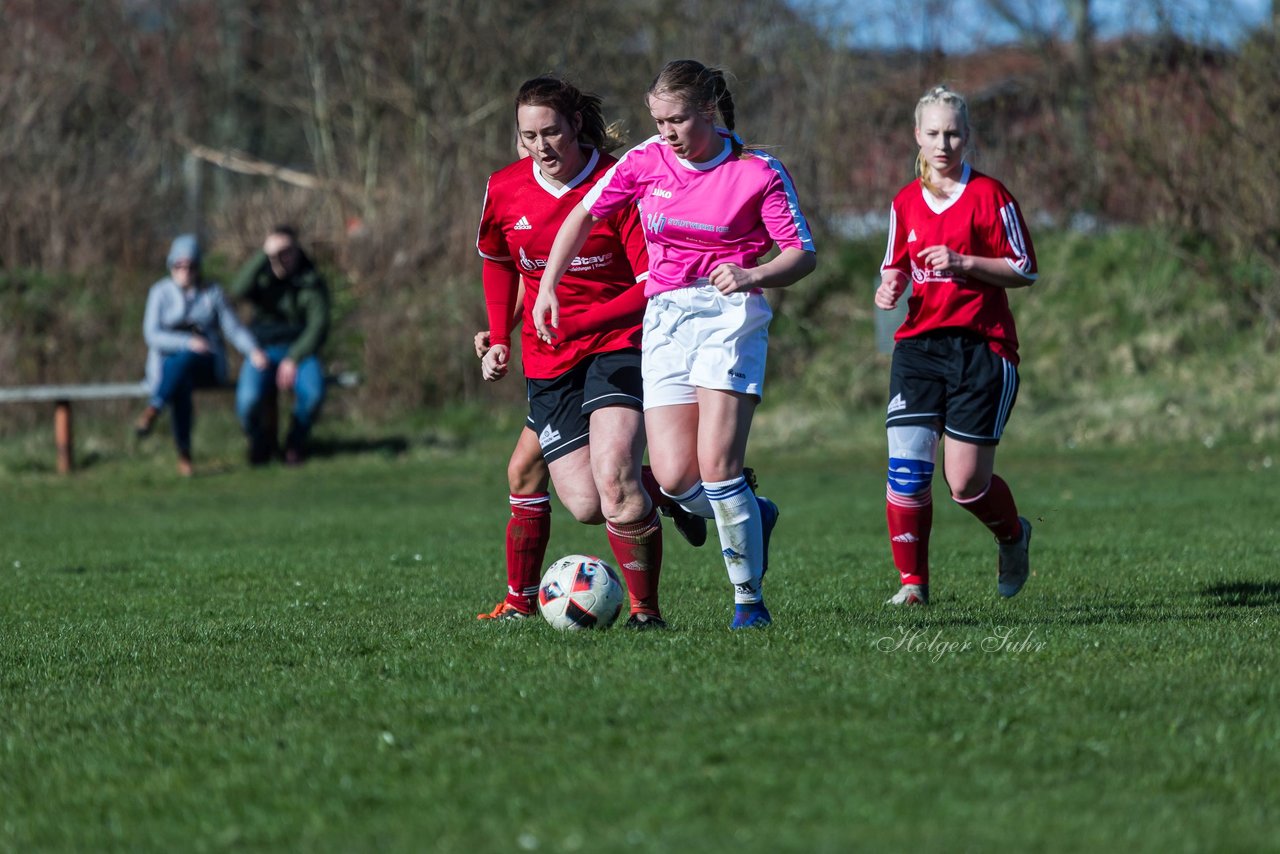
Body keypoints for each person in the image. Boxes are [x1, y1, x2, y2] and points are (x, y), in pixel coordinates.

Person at [533, 60, 817, 629]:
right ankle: (753, 515)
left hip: (729, 316)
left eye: (677, 121)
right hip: (665, 320)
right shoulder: (646, 160)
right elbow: (582, 217)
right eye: (658, 120)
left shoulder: (756, 171)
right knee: (672, 479)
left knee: (716, 466)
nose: (666, 132)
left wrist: (751, 275)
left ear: (708, 112)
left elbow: (801, 254)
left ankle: (748, 603)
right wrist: (547, 287)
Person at [474, 75, 674, 628]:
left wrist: (582, 318)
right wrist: (498, 336)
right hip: (550, 355)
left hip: (619, 341)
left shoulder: (620, 183)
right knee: (588, 504)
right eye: (527, 136)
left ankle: (645, 614)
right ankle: (683, 488)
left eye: (552, 133)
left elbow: (650, 281)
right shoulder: (504, 188)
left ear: (576, 127)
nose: (541, 147)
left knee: (614, 479)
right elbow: (499, 263)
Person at [875, 84, 1037, 606]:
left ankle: (1013, 535)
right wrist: (890, 285)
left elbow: (1024, 268)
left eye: (953, 133)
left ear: (967, 136)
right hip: (919, 349)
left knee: (965, 484)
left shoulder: (991, 196)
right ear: (916, 136)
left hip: (981, 350)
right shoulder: (904, 201)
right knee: (907, 466)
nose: (943, 143)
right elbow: (895, 263)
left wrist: (966, 263)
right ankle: (913, 585)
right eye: (933, 133)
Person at [136, 234, 267, 476]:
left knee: (186, 360)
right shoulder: (160, 293)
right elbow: (151, 335)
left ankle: (154, 407)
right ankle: (184, 455)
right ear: (171, 265)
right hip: (167, 367)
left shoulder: (212, 293)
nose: (185, 271)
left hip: (206, 364)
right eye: (179, 265)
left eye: (191, 266)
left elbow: (233, 328)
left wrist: (254, 351)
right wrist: (187, 341)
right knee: (180, 379)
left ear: (198, 267)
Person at [228, 225, 331, 465]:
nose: (284, 258)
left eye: (288, 251)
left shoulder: (311, 280)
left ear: (298, 251)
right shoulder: (261, 276)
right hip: (262, 351)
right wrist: (263, 255)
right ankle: (259, 441)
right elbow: (236, 291)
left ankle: (295, 442)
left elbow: (319, 325)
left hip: (300, 351)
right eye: (277, 253)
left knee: (313, 395)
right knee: (247, 401)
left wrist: (294, 358)